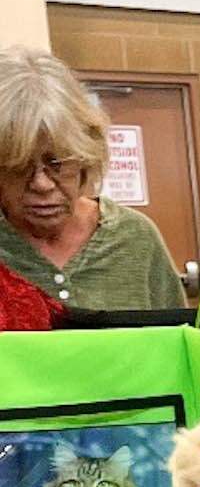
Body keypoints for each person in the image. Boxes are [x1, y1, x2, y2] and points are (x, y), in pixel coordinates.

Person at [0, 46, 184, 311]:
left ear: (86, 155)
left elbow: (174, 342)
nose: (42, 184)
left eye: (58, 163)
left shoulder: (135, 239)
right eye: (19, 166)